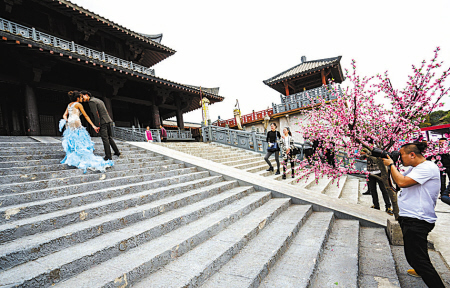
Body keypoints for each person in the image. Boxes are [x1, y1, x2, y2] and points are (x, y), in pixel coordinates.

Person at [382, 142, 445, 288]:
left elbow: (402, 182)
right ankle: (420, 270)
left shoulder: (427, 168)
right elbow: (396, 182)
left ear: (412, 154)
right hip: (411, 218)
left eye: (402, 155)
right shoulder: (414, 168)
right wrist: (390, 166)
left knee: (418, 259)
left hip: (418, 219)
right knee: (415, 255)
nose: (400, 158)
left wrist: (391, 164)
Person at [60, 91, 113, 173]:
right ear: (77, 98)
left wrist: (66, 119)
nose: (82, 99)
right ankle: (82, 157)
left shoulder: (69, 105)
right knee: (81, 139)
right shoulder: (78, 104)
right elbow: (85, 115)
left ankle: (75, 157)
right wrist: (93, 125)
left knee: (73, 140)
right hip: (76, 122)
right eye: (81, 97)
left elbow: (64, 115)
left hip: (70, 123)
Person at [80, 91, 120, 161]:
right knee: (109, 138)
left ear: (86, 95)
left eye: (82, 97)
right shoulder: (98, 100)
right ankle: (117, 152)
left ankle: (108, 156)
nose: (82, 99)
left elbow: (96, 114)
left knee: (105, 139)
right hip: (108, 120)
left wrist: (97, 125)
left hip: (102, 122)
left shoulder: (91, 102)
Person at [360, 149, 393, 215]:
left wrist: (369, 153)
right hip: (370, 173)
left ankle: (388, 207)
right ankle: (376, 205)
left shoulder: (377, 149)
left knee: (383, 190)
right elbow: (361, 158)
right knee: (373, 190)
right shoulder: (365, 149)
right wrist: (364, 154)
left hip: (379, 172)